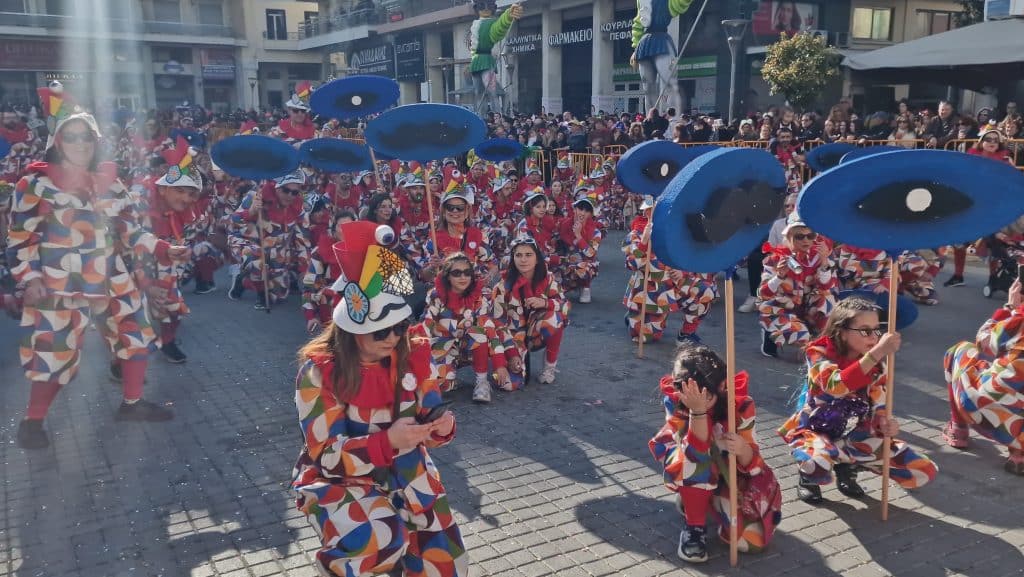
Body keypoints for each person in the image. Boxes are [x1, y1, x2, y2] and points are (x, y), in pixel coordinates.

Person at [291, 220, 467, 577]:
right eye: (379, 331)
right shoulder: (319, 373)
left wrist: (440, 427)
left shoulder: (414, 354)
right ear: (351, 329)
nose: (392, 338)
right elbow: (327, 454)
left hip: (409, 473)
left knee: (445, 563)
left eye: (399, 327)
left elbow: (430, 412)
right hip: (343, 479)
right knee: (381, 539)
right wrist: (386, 441)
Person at [10, 99, 183, 449]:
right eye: (71, 137)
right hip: (61, 280)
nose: (80, 144)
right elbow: (19, 237)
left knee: (136, 337)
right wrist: (29, 277)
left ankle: (132, 404)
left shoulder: (108, 180)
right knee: (53, 354)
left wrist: (160, 247)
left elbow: (126, 229)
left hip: (110, 274)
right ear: (58, 142)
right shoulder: (35, 183)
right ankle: (32, 422)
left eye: (86, 138)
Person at [779, 297, 938, 503]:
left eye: (876, 329)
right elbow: (836, 386)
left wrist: (886, 424)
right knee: (817, 460)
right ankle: (809, 478)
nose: (873, 336)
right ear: (842, 332)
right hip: (813, 431)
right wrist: (878, 351)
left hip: (853, 436)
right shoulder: (818, 353)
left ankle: (848, 466)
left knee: (922, 470)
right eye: (865, 330)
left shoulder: (877, 367)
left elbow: (879, 408)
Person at [649, 345, 782, 563]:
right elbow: (694, 449)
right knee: (694, 462)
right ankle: (694, 525)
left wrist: (742, 449)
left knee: (750, 542)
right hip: (693, 467)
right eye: (685, 391)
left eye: (704, 395)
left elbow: (755, 462)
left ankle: (705, 502)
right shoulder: (678, 401)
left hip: (729, 477)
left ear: (720, 387)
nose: (693, 398)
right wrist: (698, 411)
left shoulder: (741, 406)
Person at [943, 278, 1024, 475]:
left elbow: (983, 341)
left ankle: (958, 429)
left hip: (992, 417)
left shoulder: (1019, 318)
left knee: (959, 350)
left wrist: (1010, 307)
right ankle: (1019, 454)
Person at [422, 252, 514, 402]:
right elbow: (426, 324)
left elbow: (489, 328)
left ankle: (482, 381)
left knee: (479, 332)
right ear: (447, 276)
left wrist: (499, 364)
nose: (463, 277)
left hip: (470, 346)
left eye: (467, 273)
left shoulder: (478, 298)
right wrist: (418, 355)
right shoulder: (436, 296)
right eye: (456, 273)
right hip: (444, 347)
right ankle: (451, 379)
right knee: (440, 384)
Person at [227, 169, 311, 308]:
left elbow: (303, 243)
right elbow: (233, 224)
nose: (290, 195)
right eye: (285, 190)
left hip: (276, 254)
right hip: (247, 244)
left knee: (279, 294)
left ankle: (243, 281)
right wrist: (251, 212)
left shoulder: (299, 209)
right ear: (276, 186)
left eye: (295, 192)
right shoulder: (255, 197)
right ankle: (261, 294)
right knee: (256, 260)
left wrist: (305, 271)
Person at [492, 234, 569, 384]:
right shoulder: (502, 286)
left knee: (555, 319)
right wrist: (512, 353)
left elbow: (565, 305)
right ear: (513, 258)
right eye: (518, 255)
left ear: (537, 257)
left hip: (536, 332)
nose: (523, 260)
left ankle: (549, 367)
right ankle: (510, 361)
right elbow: (498, 324)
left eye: (528, 255)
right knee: (508, 385)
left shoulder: (548, 279)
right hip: (513, 337)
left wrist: (545, 303)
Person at [758, 215, 836, 359]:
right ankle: (770, 332)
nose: (806, 240)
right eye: (799, 236)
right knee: (801, 335)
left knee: (828, 300)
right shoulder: (776, 259)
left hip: (805, 306)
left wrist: (824, 262)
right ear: (789, 237)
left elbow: (827, 285)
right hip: (781, 308)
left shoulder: (819, 257)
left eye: (810, 236)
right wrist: (779, 276)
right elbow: (763, 294)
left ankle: (821, 341)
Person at [622, 196, 682, 343]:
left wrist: (682, 270)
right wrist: (643, 242)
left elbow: (684, 256)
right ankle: (633, 318)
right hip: (641, 286)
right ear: (645, 213)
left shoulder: (672, 233)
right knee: (639, 336)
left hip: (663, 286)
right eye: (651, 211)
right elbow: (631, 264)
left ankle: (655, 320)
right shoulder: (635, 234)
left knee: (653, 335)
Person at [557, 193, 603, 303]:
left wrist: (578, 235)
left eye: (587, 211)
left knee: (584, 268)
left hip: (584, 263)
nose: (582, 213)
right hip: (566, 260)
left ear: (591, 214)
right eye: (580, 209)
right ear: (574, 209)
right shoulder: (564, 224)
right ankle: (560, 289)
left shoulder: (596, 232)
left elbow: (591, 253)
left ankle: (585, 287)